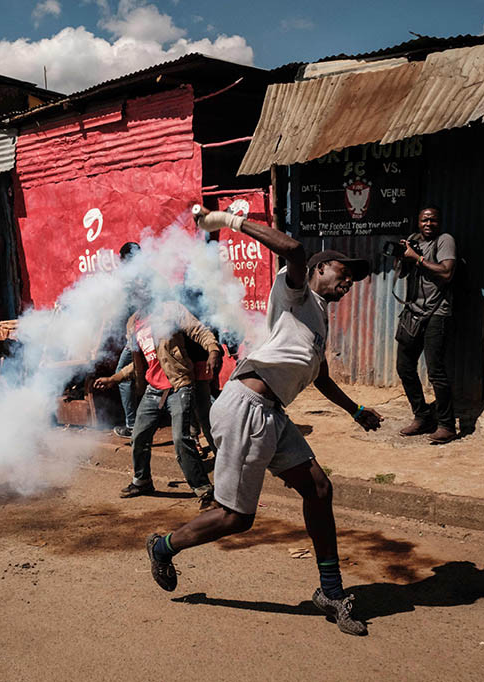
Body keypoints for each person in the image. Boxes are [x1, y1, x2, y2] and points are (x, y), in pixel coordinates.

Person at [143, 207, 382, 637]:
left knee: (319, 489)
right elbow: (292, 248)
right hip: (245, 409)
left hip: (272, 415)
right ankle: (163, 546)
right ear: (319, 269)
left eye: (353, 279)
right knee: (236, 517)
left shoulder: (318, 319)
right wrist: (222, 221)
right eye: (342, 273)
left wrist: (356, 411)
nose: (348, 282)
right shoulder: (296, 295)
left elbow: (320, 376)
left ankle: (330, 590)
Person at [95, 291, 221, 510]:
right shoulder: (133, 323)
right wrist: (114, 379)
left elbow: (199, 331)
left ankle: (204, 491)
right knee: (139, 436)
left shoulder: (170, 310)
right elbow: (140, 363)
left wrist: (213, 350)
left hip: (179, 384)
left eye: (144, 287)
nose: (139, 294)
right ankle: (141, 481)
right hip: (153, 390)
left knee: (182, 439)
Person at [394, 206, 457, 444]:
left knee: (435, 372)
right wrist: (403, 257)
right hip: (413, 311)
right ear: (418, 222)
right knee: (404, 366)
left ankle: (447, 425)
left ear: (439, 222)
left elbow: (447, 272)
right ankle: (422, 416)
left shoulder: (445, 240)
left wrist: (418, 259)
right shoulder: (412, 241)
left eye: (433, 220)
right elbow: (400, 274)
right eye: (424, 220)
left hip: (437, 313)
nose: (428, 223)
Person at [112, 242, 141, 439]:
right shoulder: (145, 274)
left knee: (121, 376)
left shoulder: (134, 279)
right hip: (146, 335)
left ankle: (132, 425)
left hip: (139, 337)